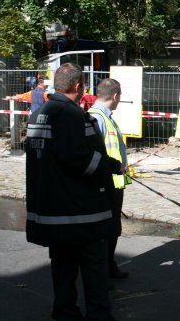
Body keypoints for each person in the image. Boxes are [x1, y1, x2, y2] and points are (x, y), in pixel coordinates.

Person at [25, 63, 124, 321]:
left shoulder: (39, 114)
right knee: (94, 268)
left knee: (63, 267)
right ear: (78, 86)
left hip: (53, 209)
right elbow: (80, 159)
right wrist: (113, 166)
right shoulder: (70, 115)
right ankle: (99, 316)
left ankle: (65, 312)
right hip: (80, 212)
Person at [88, 78, 131, 279]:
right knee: (106, 229)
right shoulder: (97, 118)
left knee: (113, 228)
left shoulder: (104, 117)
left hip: (113, 181)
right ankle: (102, 271)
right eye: (119, 97)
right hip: (106, 183)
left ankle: (109, 266)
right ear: (115, 96)